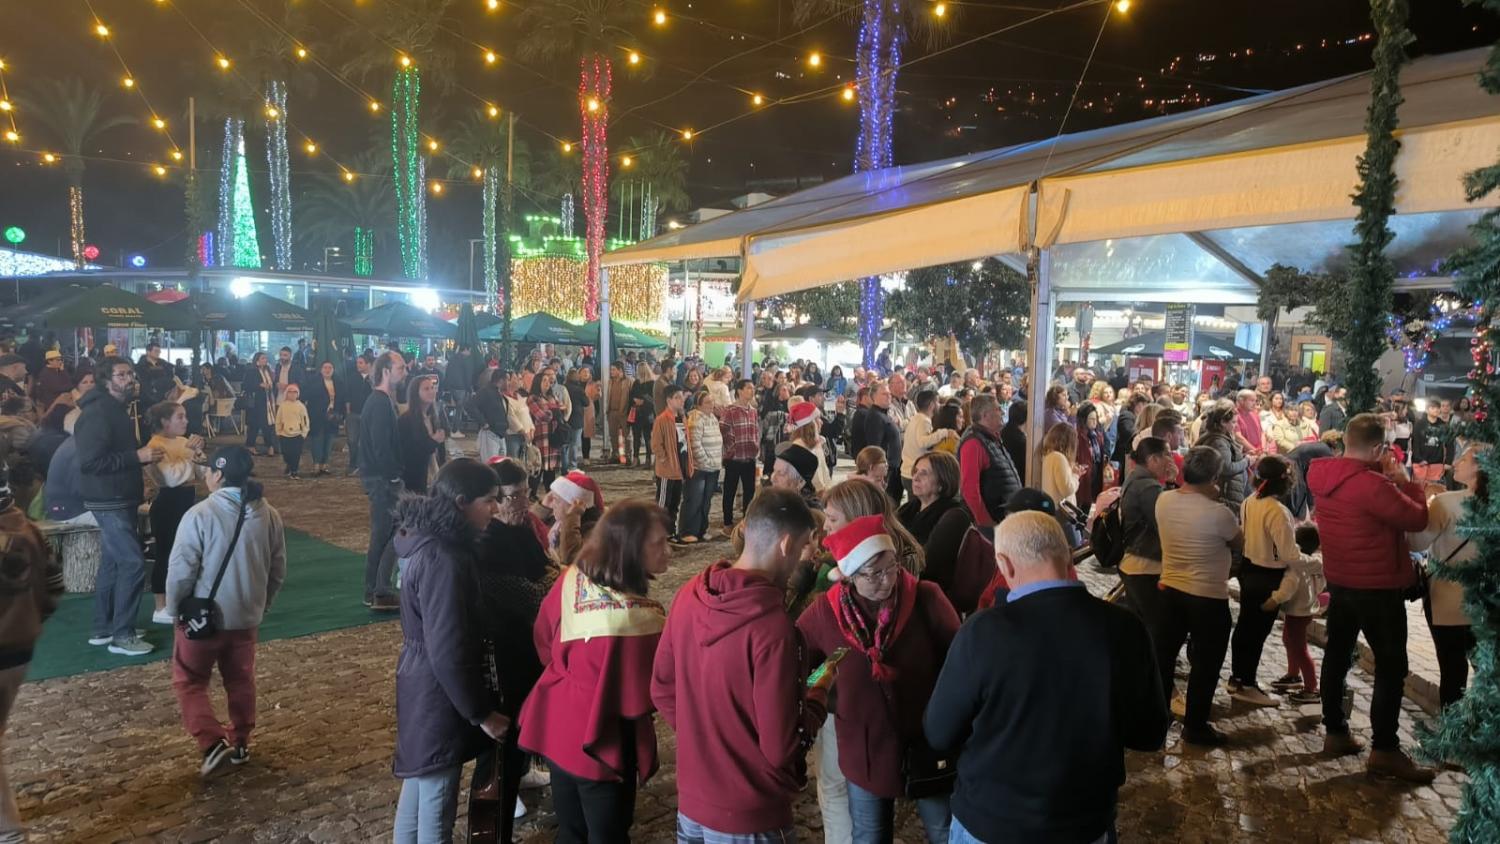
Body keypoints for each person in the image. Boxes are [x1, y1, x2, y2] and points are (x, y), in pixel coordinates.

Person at [925, 511, 1169, 843]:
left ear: (1005, 565)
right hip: (1084, 823)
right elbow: (1149, 734)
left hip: (992, 821)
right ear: (1068, 555)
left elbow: (939, 733)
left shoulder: (982, 632)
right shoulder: (1126, 628)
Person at [651, 488, 834, 842]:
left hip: (693, 801)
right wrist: (818, 695)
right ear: (785, 545)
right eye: (802, 547)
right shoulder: (773, 630)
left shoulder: (690, 594)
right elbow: (781, 748)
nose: (800, 560)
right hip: (750, 814)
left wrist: (705, 741)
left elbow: (661, 688)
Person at [798, 515, 959, 842]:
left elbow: (961, 660)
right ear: (849, 576)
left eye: (891, 568)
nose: (886, 581)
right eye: (873, 574)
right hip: (865, 751)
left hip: (927, 743)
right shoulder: (826, 613)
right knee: (870, 835)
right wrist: (829, 695)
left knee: (944, 831)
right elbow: (798, 665)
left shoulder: (925, 598)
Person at [518, 500, 671, 843]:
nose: (668, 550)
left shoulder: (573, 578)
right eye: (659, 543)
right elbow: (653, 691)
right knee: (608, 834)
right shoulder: (640, 619)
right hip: (602, 736)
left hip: (557, 721)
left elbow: (543, 639)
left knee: (571, 829)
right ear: (630, 549)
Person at [390, 459, 511, 843]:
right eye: (489, 500)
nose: (495, 509)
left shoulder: (424, 539)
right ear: (461, 502)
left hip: (421, 680)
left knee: (419, 787)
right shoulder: (444, 557)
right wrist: (481, 714)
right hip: (437, 692)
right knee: (436, 803)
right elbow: (448, 648)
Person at [1308, 412, 1433, 780]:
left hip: (1341, 581)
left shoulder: (1323, 475)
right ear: (1378, 448)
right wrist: (1405, 482)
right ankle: (1385, 749)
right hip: (1377, 587)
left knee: (1336, 655)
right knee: (1391, 667)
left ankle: (1335, 731)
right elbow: (1417, 519)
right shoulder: (1374, 486)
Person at [166, 446, 286, 777]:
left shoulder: (200, 514)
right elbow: (277, 569)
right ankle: (241, 739)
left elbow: (181, 570)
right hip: (246, 617)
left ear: (217, 475)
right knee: (240, 679)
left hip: (204, 618)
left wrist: (175, 609)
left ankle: (211, 741)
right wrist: (262, 604)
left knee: (189, 680)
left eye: (207, 470)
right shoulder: (269, 515)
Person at [1155, 446, 1244, 746]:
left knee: (1164, 658)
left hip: (1170, 591)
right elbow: (1240, 542)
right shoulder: (1219, 514)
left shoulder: (1164, 500)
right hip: (1208, 596)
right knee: (1206, 664)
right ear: (1215, 478)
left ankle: (1158, 717)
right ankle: (1195, 725)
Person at [77, 357, 163, 656]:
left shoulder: (115, 409)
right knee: (132, 563)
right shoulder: (98, 412)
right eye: (121, 375)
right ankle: (122, 636)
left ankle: (104, 628)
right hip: (108, 498)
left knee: (113, 563)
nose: (129, 380)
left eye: (130, 374)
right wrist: (136, 457)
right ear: (106, 380)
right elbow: (90, 462)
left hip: (119, 495)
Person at [0, 461, 61, 842]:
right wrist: (29, 621)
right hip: (20, 649)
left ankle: (8, 830)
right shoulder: (30, 529)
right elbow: (54, 587)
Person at [1408, 443, 1484, 709]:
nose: (1457, 463)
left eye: (1464, 459)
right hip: (1485, 601)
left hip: (1446, 599)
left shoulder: (1446, 503)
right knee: (1485, 668)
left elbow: (1416, 542)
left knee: (1452, 669)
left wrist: (1423, 504)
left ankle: (1453, 726)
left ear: (1480, 468)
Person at [1226, 455, 1300, 708]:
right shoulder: (1277, 511)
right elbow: (1289, 554)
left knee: (1245, 627)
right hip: (1268, 576)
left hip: (1249, 569)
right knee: (1257, 633)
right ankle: (1247, 683)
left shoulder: (1249, 501)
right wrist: (1314, 562)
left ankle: (1238, 678)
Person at [145, 401, 205, 626]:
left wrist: (198, 452)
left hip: (187, 501)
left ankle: (183, 599)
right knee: (166, 554)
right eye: (180, 417)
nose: (186, 421)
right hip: (168, 504)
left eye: (185, 416)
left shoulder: (182, 442)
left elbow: (201, 472)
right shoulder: (155, 445)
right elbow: (171, 478)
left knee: (188, 553)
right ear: (164, 421)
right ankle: (160, 606)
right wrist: (190, 453)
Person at [898, 450, 978, 615]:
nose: (915, 477)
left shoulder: (955, 515)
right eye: (915, 471)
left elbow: (928, 564)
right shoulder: (910, 508)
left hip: (932, 599)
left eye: (924, 473)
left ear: (942, 482)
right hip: (903, 585)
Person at [358, 351, 407, 612]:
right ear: (386, 371)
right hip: (381, 478)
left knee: (387, 533)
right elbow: (381, 446)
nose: (404, 372)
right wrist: (392, 475)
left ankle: (377, 589)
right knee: (383, 534)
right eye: (400, 367)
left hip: (380, 476)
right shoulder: (379, 403)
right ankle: (375, 590)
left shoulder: (380, 400)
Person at [1118, 436, 1178, 647]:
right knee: (1157, 630)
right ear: (1153, 459)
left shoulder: (1134, 478)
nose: (1171, 459)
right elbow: (1167, 520)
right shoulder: (1148, 487)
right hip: (1145, 564)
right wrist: (1172, 483)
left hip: (1133, 561)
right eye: (1167, 454)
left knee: (1140, 626)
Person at [1265, 524, 1326, 706]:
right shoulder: (1314, 563)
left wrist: (1274, 600)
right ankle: (1293, 675)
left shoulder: (1295, 567)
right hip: (1305, 610)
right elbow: (1321, 585)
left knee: (1299, 649)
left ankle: (1311, 688)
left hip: (1297, 611)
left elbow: (1288, 587)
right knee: (1288, 640)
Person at [956, 394, 1022, 538]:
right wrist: (987, 524)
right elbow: (969, 490)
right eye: (998, 409)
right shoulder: (973, 443)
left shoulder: (991, 438)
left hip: (1004, 520)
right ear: (985, 415)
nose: (1002, 412)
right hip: (992, 524)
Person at [719, 378, 760, 534]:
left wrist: (755, 445)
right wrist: (732, 446)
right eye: (748, 388)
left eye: (753, 388)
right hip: (734, 458)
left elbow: (756, 430)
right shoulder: (730, 410)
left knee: (750, 492)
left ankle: (746, 522)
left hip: (749, 457)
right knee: (729, 491)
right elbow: (723, 429)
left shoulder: (753, 411)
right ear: (739, 391)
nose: (752, 390)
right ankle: (727, 523)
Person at [398, 374, 449, 495]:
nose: (431, 391)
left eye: (432, 388)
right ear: (416, 393)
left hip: (435, 472)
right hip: (414, 476)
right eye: (426, 389)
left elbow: (441, 445)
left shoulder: (435, 416)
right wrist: (433, 441)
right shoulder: (406, 420)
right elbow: (409, 452)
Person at [900, 389, 957, 497]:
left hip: (907, 471)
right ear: (932, 405)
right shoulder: (923, 420)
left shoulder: (916, 418)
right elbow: (923, 442)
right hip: (913, 472)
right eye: (937, 402)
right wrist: (943, 432)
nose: (939, 405)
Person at [1196, 401, 1248, 515]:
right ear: (1223, 422)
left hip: (1230, 488)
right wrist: (1247, 461)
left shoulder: (1221, 436)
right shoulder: (1218, 441)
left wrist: (1242, 456)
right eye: (1233, 422)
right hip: (1226, 489)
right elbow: (1227, 468)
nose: (1235, 425)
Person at [862, 380, 905, 504]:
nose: (888, 396)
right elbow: (875, 445)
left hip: (893, 467)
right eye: (884, 394)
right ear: (874, 397)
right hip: (886, 470)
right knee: (886, 503)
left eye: (889, 394)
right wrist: (880, 469)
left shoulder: (883, 414)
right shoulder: (875, 416)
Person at [302, 361, 343, 477]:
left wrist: (339, 414)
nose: (327, 370)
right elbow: (307, 395)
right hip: (317, 416)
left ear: (333, 370)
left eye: (330, 367)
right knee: (317, 441)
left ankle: (325, 464)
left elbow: (342, 399)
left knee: (329, 441)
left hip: (333, 417)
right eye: (325, 367)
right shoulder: (313, 382)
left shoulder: (339, 383)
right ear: (321, 370)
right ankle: (316, 464)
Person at [241, 353, 277, 457]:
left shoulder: (268, 371)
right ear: (257, 361)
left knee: (267, 425)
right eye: (263, 358)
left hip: (267, 402)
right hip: (256, 403)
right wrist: (259, 385)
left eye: (266, 358)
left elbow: (272, 385)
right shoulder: (251, 372)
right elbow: (245, 386)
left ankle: (269, 445)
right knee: (255, 425)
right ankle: (252, 445)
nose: (265, 360)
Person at [1074, 402, 1107, 512]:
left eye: (1095, 418)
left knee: (1088, 506)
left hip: (1095, 475)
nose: (1095, 421)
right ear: (1084, 420)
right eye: (1091, 419)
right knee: (1081, 507)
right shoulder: (1077, 436)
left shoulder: (1098, 436)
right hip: (1083, 477)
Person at [274, 383, 310, 480]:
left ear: (298, 394)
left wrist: (304, 433)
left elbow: (305, 421)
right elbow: (278, 419)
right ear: (286, 393)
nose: (292, 394)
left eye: (295, 392)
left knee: (296, 454)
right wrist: (278, 431)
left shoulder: (301, 406)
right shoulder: (282, 406)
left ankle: (294, 471)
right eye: (290, 392)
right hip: (284, 435)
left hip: (297, 435)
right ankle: (289, 465)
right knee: (286, 453)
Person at [345, 355, 373, 477]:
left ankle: (366, 465)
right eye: (357, 363)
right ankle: (353, 464)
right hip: (354, 413)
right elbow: (347, 395)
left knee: (367, 441)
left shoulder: (374, 379)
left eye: (361, 363)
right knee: (352, 441)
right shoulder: (352, 378)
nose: (358, 365)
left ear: (368, 364)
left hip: (369, 415)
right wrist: (348, 412)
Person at [629, 363, 656, 466]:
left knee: (647, 437)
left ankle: (648, 458)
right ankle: (636, 458)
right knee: (636, 436)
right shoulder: (636, 383)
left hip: (647, 414)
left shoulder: (652, 383)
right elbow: (631, 396)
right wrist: (634, 400)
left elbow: (654, 400)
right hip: (637, 413)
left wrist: (643, 402)